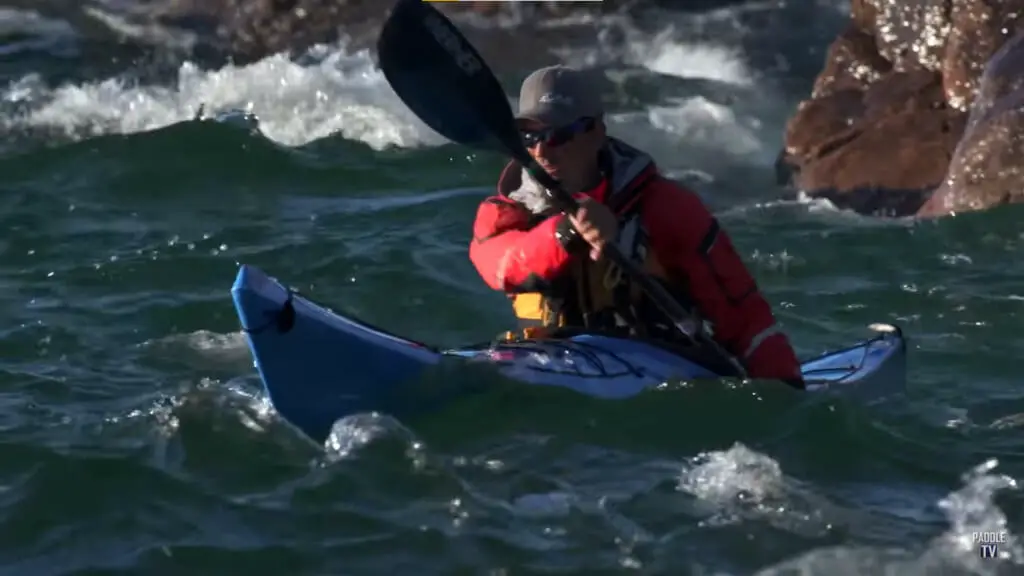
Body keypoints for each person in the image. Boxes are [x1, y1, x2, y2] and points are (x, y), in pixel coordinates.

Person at [468, 64, 803, 386]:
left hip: (658, 367)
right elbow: (500, 265)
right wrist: (565, 232)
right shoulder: (508, 211)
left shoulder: (668, 208)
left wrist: (785, 392)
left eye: (560, 135)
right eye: (530, 136)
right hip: (549, 357)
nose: (542, 151)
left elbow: (743, 316)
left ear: (596, 133)